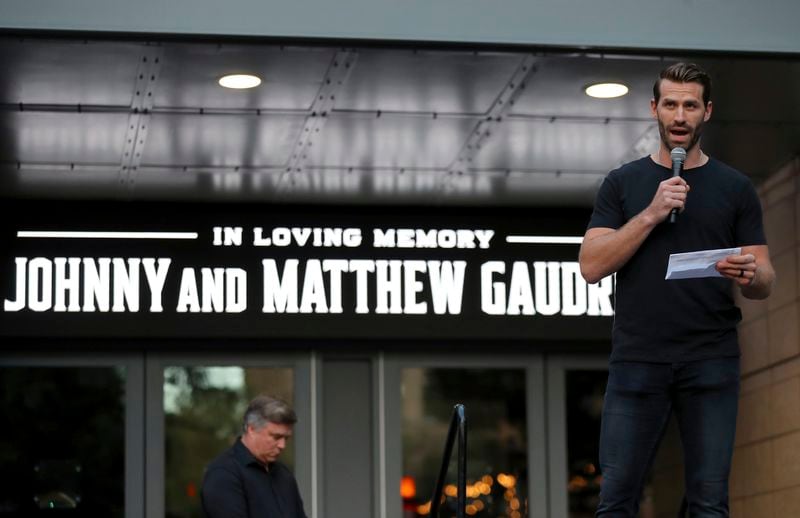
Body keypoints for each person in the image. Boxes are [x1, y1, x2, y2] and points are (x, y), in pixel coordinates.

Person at [579, 62, 775, 517]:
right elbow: (591, 266)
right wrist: (650, 213)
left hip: (711, 357)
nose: (680, 115)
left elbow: (765, 279)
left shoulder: (735, 187)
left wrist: (751, 273)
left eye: (690, 105)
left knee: (709, 502)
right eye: (671, 104)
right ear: (655, 109)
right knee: (616, 500)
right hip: (638, 358)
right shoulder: (623, 182)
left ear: (707, 111)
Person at [202, 395, 308, 518]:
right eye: (276, 437)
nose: (282, 445)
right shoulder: (223, 473)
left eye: (286, 438)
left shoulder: (284, 474)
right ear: (251, 429)